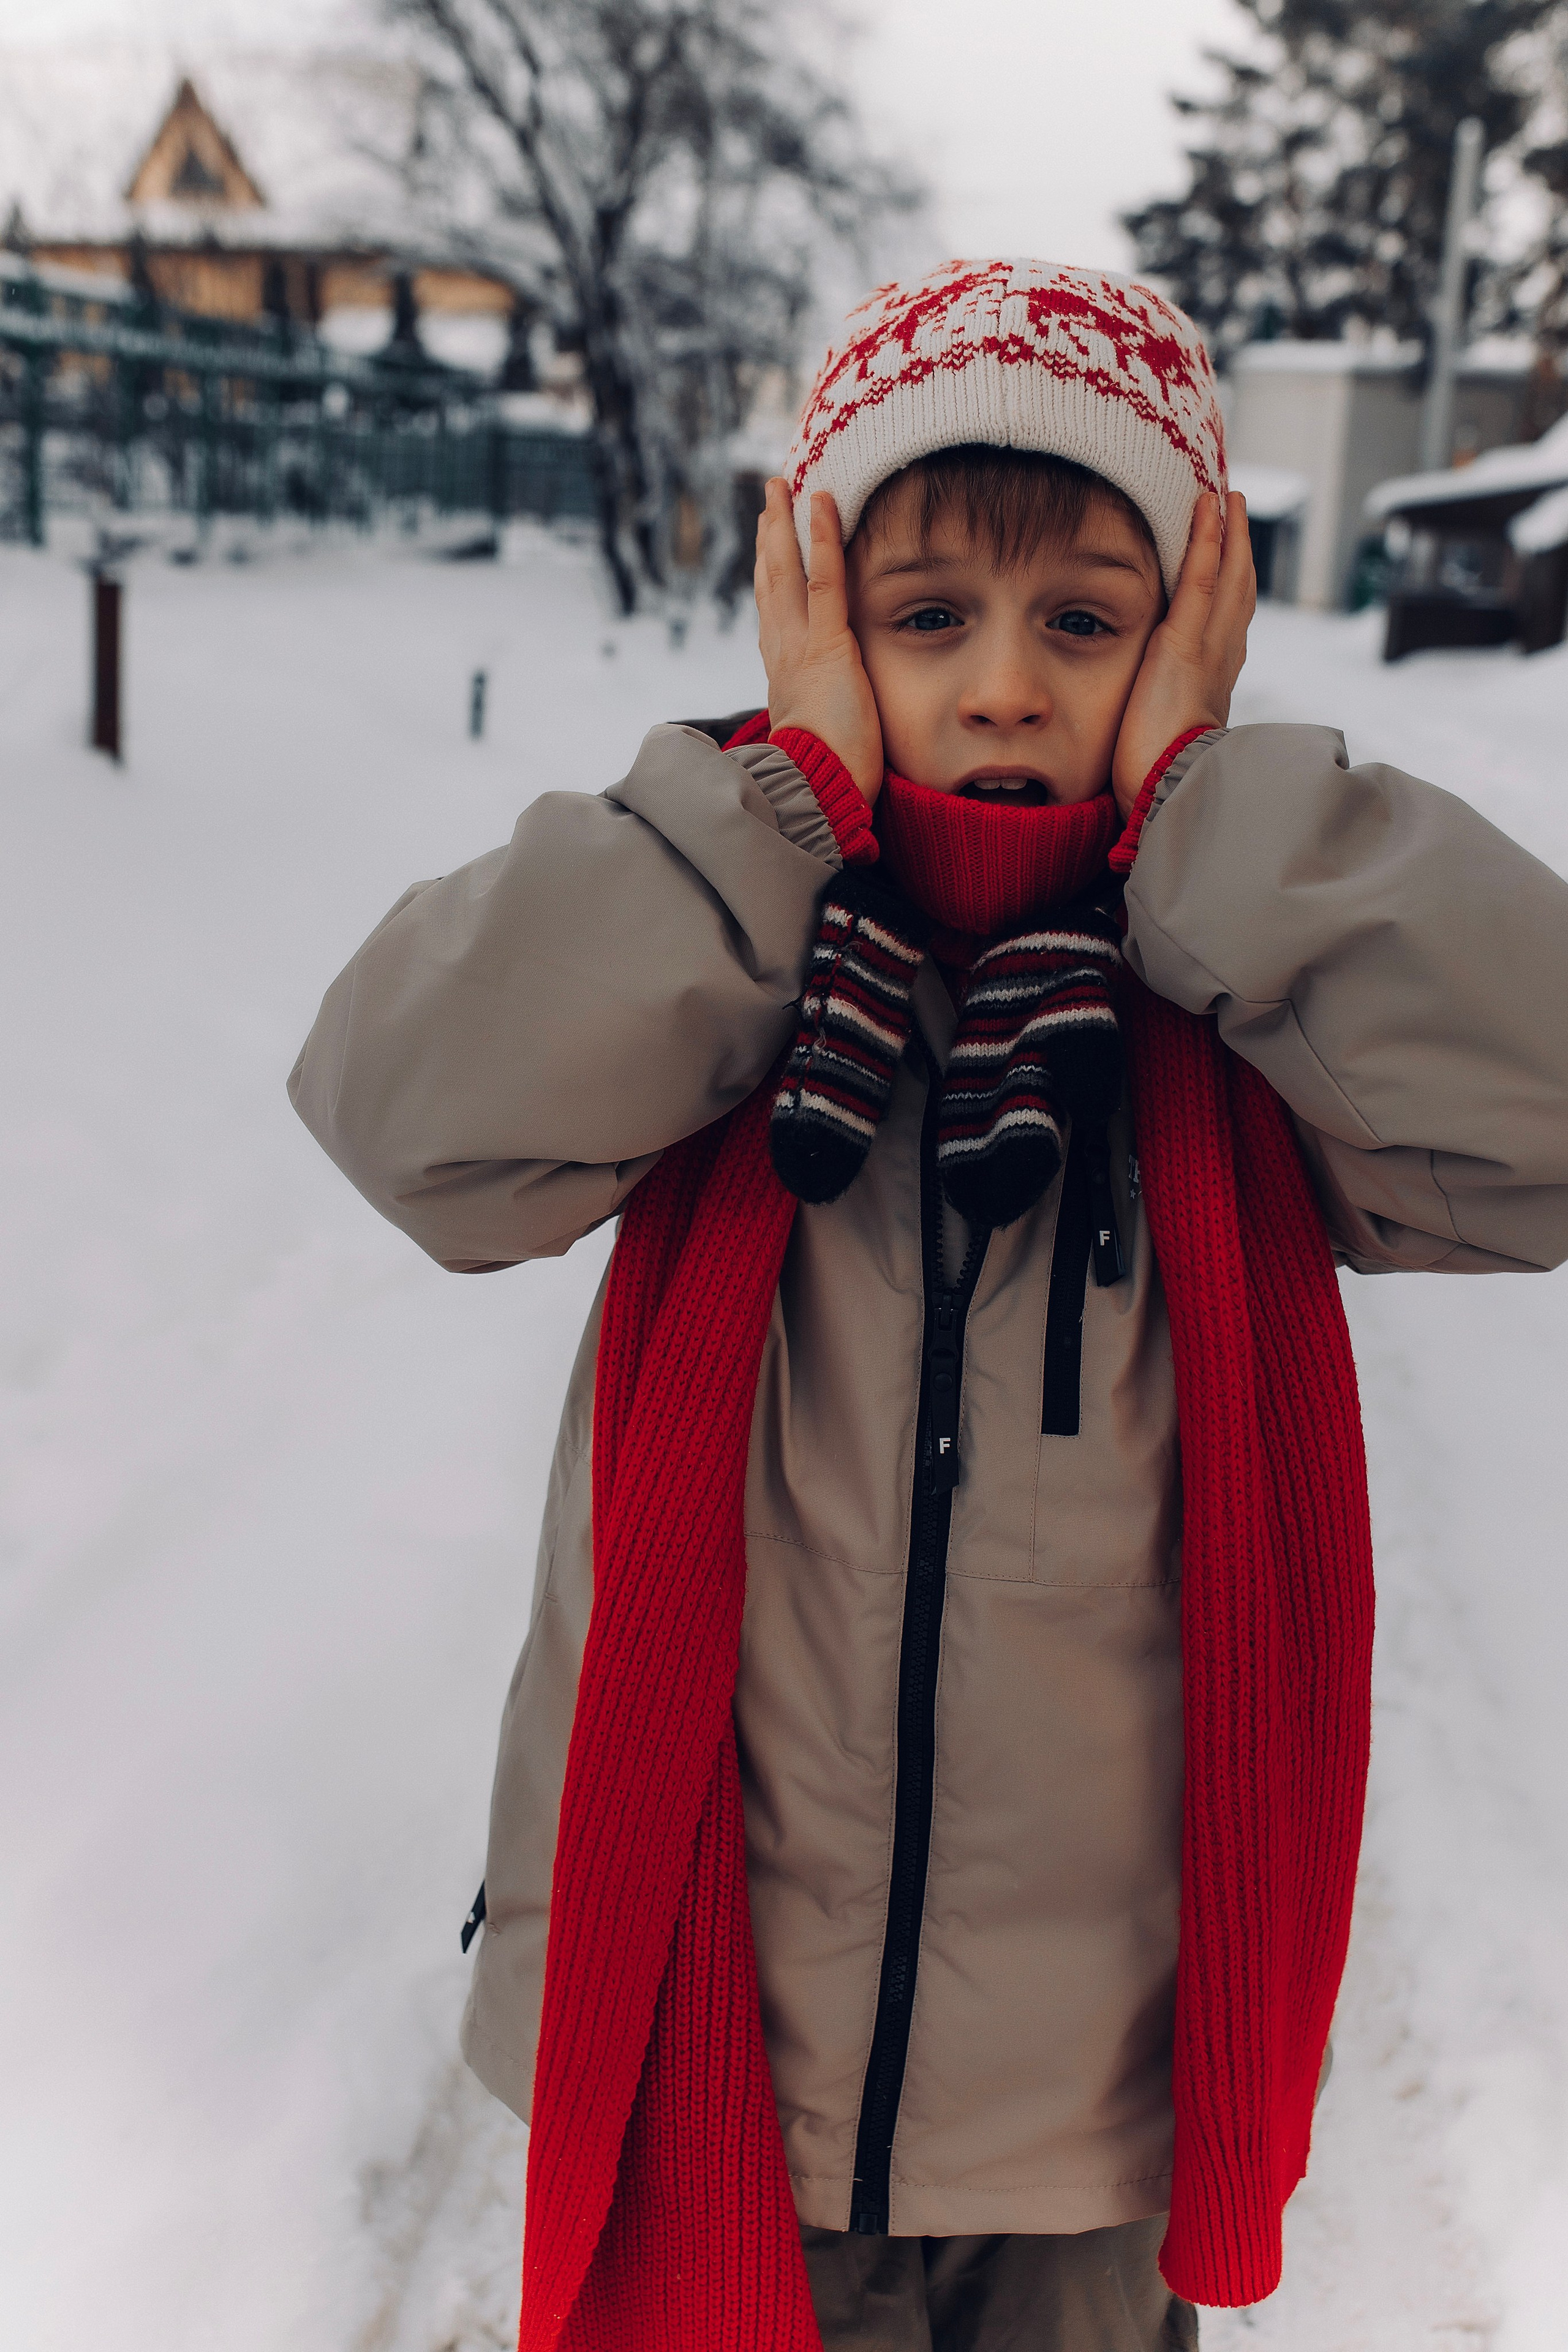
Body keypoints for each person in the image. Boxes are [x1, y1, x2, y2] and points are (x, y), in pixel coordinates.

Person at [288, 260, 1568, 2352]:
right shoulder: (723, 981)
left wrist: (1218, 812)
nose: (999, 688)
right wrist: (773, 806)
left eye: (1085, 621)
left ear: (1187, 634)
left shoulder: (1245, 1031)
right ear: (821, 621)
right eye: (924, 616)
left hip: (1087, 2128)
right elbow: (405, 1113)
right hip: (717, 2067)